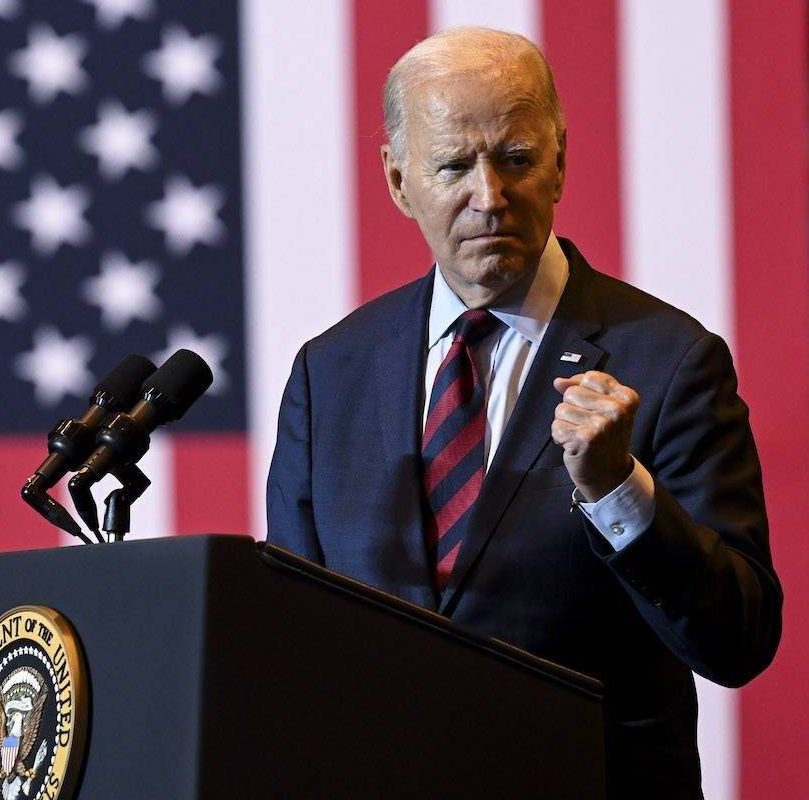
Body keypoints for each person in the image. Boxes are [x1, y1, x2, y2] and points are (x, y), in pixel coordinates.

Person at [266, 27, 781, 799]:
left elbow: (738, 639)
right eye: (452, 166)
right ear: (399, 180)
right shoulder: (330, 372)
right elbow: (291, 640)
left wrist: (618, 492)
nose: (489, 197)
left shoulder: (670, 361)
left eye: (515, 159)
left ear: (561, 161)